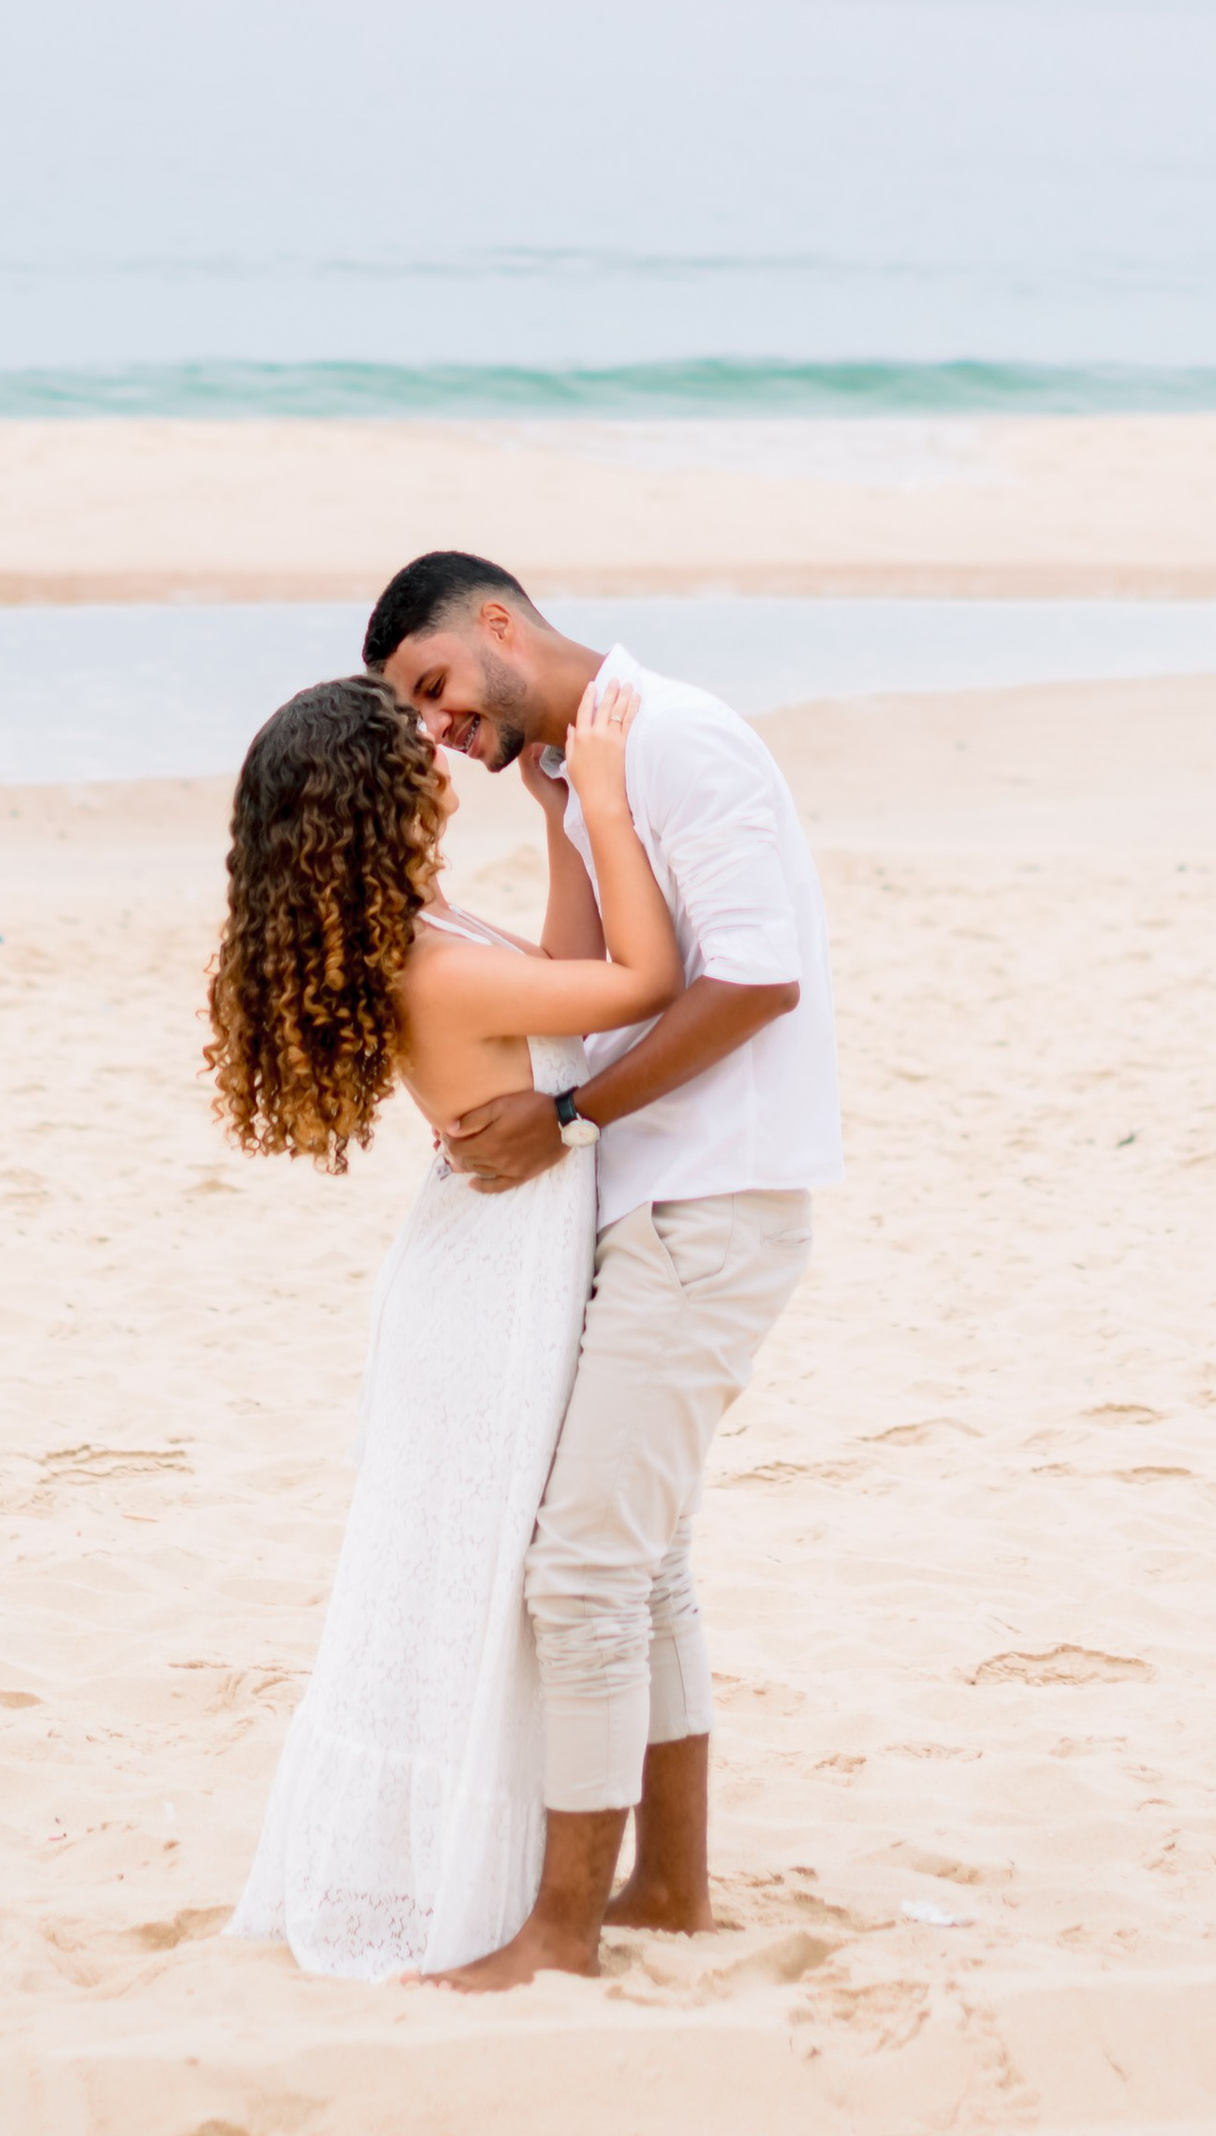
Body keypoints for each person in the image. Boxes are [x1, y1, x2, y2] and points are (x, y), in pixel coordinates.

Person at [364, 550, 841, 1989]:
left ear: (500, 625)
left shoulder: (679, 739)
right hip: (648, 1201)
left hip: (713, 1196)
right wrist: (567, 815)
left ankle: (562, 1936)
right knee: (643, 1566)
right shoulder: (585, 772)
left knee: (577, 1578)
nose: (439, 728)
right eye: (419, 718)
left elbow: (756, 979)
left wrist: (567, 1121)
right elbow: (583, 993)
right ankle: (670, 1894)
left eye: (439, 689)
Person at [211, 665, 691, 1978]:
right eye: (411, 736)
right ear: (375, 796)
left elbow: (569, 973)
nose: (438, 741)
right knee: (477, 1564)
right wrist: (599, 796)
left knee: (486, 1557)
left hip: (491, 1263)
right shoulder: (429, 966)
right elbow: (640, 981)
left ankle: (507, 1864)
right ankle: (470, 1882)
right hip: (492, 1286)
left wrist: (554, 826)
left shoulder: (424, 929)